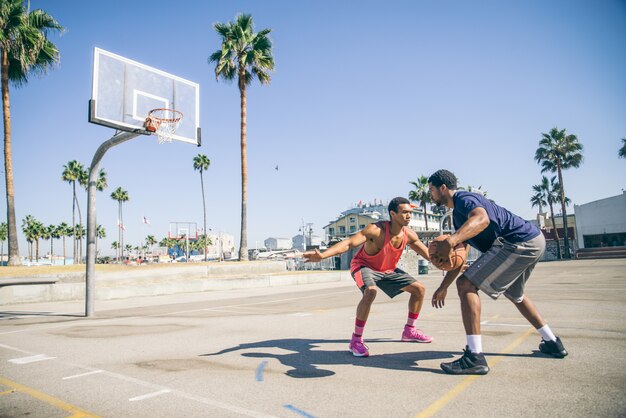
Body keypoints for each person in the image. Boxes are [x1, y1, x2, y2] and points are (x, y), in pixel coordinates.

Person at [427, 169, 568, 375]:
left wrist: (450, 240)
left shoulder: (464, 199)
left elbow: (481, 219)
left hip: (518, 241)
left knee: (466, 284)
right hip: (532, 240)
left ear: (443, 188)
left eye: (431, 189)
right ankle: (552, 342)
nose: (430, 194)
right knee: (515, 294)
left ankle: (474, 357)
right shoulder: (458, 218)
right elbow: (461, 257)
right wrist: (443, 287)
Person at [303, 197, 432, 357]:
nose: (409, 216)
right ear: (393, 213)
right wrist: (323, 255)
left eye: (410, 213)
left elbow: (430, 256)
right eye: (404, 212)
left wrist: (456, 265)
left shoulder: (409, 235)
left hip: (387, 270)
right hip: (363, 266)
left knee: (419, 289)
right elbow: (349, 243)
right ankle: (356, 340)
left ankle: (409, 331)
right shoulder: (376, 230)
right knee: (370, 291)